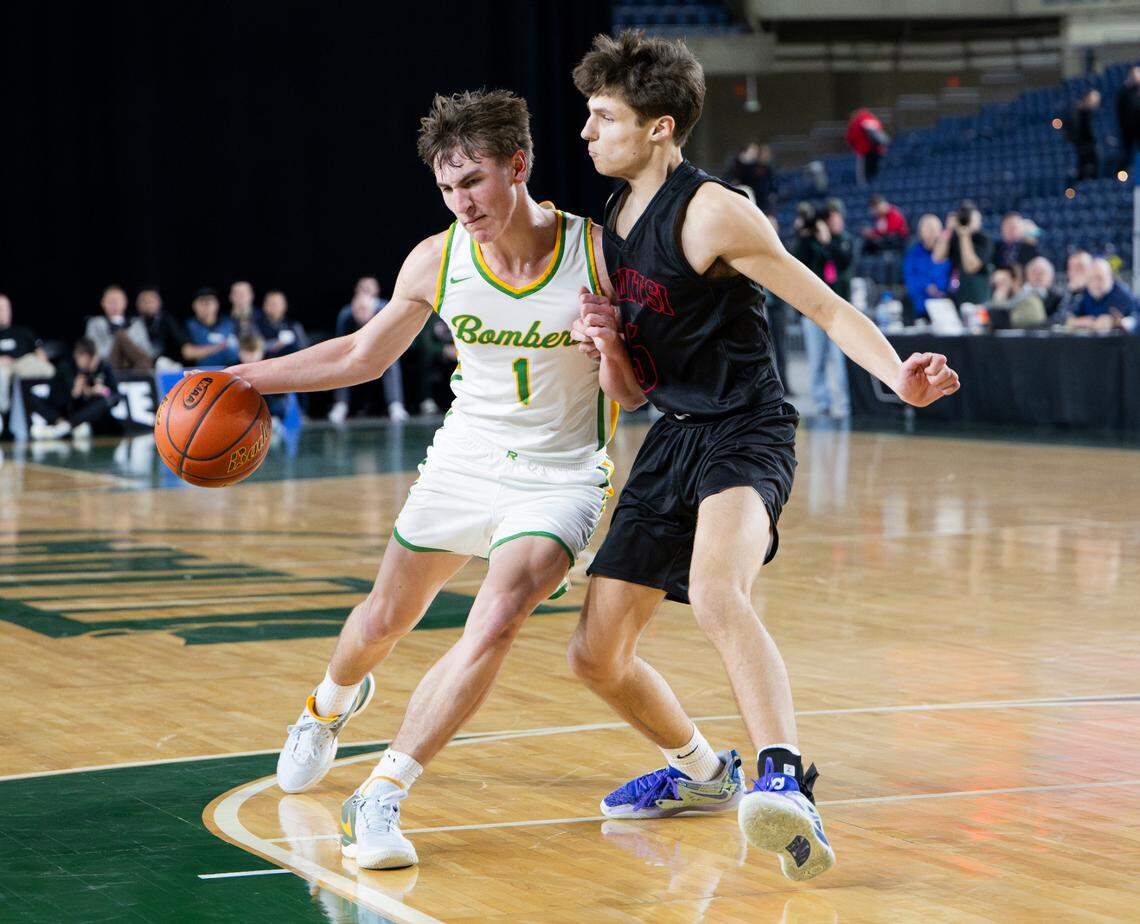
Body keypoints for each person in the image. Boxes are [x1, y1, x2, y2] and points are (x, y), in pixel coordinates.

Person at [572, 30, 959, 883]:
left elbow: (825, 308)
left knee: (718, 590)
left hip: (747, 428)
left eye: (604, 116)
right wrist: (607, 345)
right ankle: (703, 774)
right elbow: (630, 397)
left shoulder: (713, 210)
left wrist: (897, 375)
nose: (587, 131)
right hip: (672, 435)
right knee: (595, 655)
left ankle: (786, 779)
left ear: (660, 127)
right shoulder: (613, 222)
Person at [226, 89, 642, 871]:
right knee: (383, 620)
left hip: (559, 475)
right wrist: (243, 379)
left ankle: (382, 792)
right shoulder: (437, 258)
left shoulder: (598, 253)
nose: (462, 203)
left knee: (498, 617)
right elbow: (361, 356)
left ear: (517, 165)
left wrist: (612, 348)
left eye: (474, 181)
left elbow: (634, 395)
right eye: (448, 187)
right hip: (463, 461)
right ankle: (328, 705)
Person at [793, 201, 853, 416]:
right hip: (813, 310)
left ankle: (844, 403)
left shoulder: (844, 240)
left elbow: (844, 263)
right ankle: (822, 403)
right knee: (816, 359)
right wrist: (804, 235)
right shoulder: (809, 241)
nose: (837, 221)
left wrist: (828, 243)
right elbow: (797, 263)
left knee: (840, 359)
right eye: (833, 218)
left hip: (839, 311)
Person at [329, 281, 410, 423]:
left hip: (382, 349)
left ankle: (395, 405)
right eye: (362, 287)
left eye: (369, 287)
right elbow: (340, 341)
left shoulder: (386, 308)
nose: (364, 291)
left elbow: (395, 337)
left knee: (392, 361)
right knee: (341, 362)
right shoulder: (347, 313)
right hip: (355, 351)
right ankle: (340, 405)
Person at [26, 337, 122, 441]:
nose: (91, 364)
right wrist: (75, 392)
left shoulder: (103, 366)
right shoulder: (66, 367)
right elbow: (57, 398)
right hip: (64, 411)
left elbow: (115, 396)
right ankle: (64, 425)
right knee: (33, 399)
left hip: (86, 414)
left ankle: (67, 427)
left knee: (103, 403)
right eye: (86, 360)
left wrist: (103, 391)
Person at [0, 294, 53, 435]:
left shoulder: (22, 331)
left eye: (6, 308)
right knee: (1, 373)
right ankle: (2, 413)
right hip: (2, 367)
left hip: (22, 363)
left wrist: (41, 359)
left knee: (48, 370)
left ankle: (48, 415)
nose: (3, 312)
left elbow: (38, 350)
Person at [934, 200, 992, 307]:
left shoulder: (983, 239)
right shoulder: (953, 238)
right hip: (957, 294)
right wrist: (948, 230)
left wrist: (964, 236)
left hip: (976, 295)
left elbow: (970, 267)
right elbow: (937, 257)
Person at [84, 285, 152, 371]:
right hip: (109, 363)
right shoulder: (95, 323)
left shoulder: (136, 323)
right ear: (103, 303)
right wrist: (117, 343)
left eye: (118, 300)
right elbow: (92, 349)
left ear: (125, 302)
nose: (115, 304)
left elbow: (146, 348)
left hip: (135, 363)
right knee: (120, 336)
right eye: (111, 301)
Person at [903, 214, 951, 320]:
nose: (931, 232)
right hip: (921, 309)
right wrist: (926, 286)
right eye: (927, 228)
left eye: (934, 228)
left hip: (946, 307)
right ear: (920, 232)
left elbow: (951, 278)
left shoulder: (949, 253)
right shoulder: (913, 255)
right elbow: (910, 280)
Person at [1069, 258, 1137, 329]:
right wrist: (1079, 322)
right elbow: (1067, 317)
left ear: (1110, 277)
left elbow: (1136, 318)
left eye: (1100, 278)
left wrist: (1119, 322)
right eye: (1091, 278)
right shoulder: (1083, 294)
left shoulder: (1123, 295)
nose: (1095, 283)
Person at [182, 288, 240, 367]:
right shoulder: (190, 326)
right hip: (203, 370)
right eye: (202, 302)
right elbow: (187, 353)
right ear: (194, 305)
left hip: (231, 368)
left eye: (210, 301)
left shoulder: (230, 323)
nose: (206, 306)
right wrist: (218, 346)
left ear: (217, 304)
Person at [135, 288, 186, 368]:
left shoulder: (168, 320)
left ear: (159, 302)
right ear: (137, 304)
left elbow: (181, 343)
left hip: (167, 362)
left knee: (162, 363)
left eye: (151, 300)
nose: (148, 304)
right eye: (144, 301)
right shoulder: (134, 322)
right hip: (142, 363)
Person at [725, 142, 776, 213]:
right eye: (752, 152)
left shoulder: (762, 167)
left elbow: (768, 187)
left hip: (760, 201)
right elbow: (732, 180)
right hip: (740, 197)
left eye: (755, 152)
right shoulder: (737, 165)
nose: (754, 155)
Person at [257, 291, 309, 359]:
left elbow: (304, 348)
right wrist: (275, 344)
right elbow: (254, 347)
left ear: (284, 306)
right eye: (270, 303)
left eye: (276, 304)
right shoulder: (256, 325)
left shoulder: (294, 325)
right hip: (267, 361)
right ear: (264, 306)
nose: (273, 307)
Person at [845, 107, 889, 184]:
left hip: (868, 152)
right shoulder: (862, 121)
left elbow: (874, 133)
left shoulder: (863, 119)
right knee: (872, 175)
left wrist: (883, 142)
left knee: (865, 177)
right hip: (870, 151)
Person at [1066, 88, 1100, 180]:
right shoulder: (1076, 114)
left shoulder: (1091, 115)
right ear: (1086, 98)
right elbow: (1075, 134)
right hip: (1082, 151)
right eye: (1094, 100)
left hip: (1089, 150)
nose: (1096, 103)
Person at [1117, 66, 1140, 171]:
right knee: (1126, 155)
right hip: (1128, 129)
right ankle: (1122, 175)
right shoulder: (1124, 92)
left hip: (1138, 129)